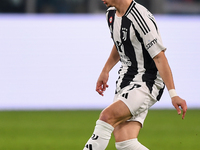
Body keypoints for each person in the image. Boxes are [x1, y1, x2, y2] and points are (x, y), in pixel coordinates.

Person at [83, 0, 187, 149]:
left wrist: (174, 94)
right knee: (125, 142)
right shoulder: (111, 13)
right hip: (126, 77)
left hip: (147, 80)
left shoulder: (140, 17)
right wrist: (105, 70)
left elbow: (159, 57)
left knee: (107, 117)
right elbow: (120, 42)